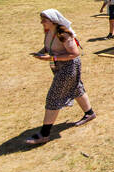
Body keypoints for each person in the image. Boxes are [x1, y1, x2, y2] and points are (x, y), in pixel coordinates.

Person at [26, 9, 95, 144]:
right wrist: (41, 53)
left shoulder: (64, 34)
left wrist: (52, 58)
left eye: (44, 20)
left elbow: (74, 53)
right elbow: (48, 47)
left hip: (69, 67)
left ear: (53, 21)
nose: (41, 23)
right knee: (76, 89)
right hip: (58, 66)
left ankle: (44, 134)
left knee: (54, 96)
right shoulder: (48, 32)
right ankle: (90, 113)